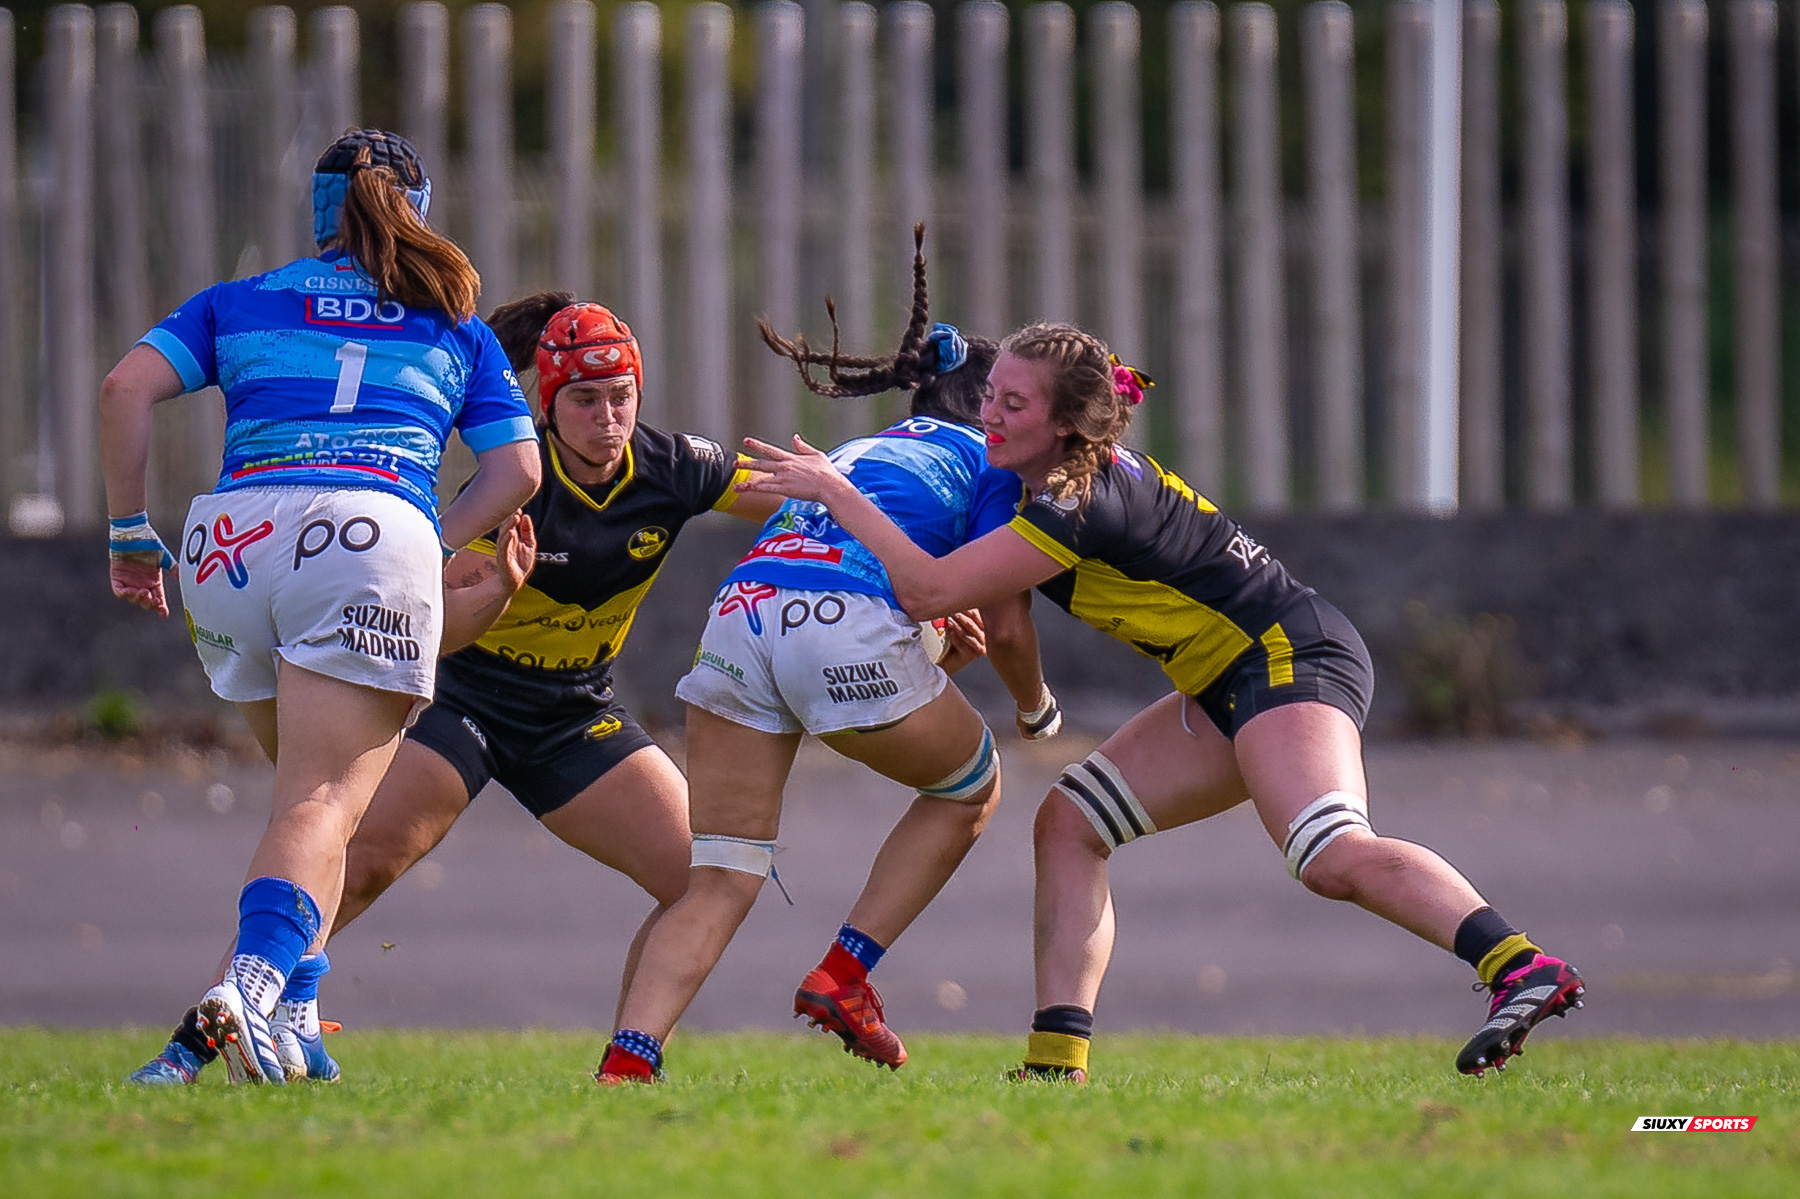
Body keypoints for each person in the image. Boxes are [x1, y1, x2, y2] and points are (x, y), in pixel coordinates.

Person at [738, 320, 1587, 1083]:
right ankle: (1054, 1064)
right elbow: (986, 603)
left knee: (1328, 853)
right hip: (1220, 680)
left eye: (1012, 405)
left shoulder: (1073, 502)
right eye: (990, 398)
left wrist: (836, 491)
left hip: (1287, 656)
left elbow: (925, 590)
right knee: (1070, 823)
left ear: (1064, 424)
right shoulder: (1046, 479)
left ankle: (1518, 964)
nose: (989, 419)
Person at [128, 290, 790, 1086]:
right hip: (464, 699)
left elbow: (803, 496)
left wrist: (878, 518)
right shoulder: (513, 486)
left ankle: (627, 1069)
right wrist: (499, 594)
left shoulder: (674, 468)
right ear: (547, 401)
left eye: (621, 396)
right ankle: (198, 1043)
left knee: (702, 877)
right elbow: (430, 625)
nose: (606, 417)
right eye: (583, 399)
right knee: (349, 855)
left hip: (575, 712)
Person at [104, 130, 542, 1085]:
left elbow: (124, 387)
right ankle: (248, 986)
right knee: (323, 800)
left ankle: (296, 1009)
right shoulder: (453, 323)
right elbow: (518, 468)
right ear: (416, 208)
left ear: (317, 209)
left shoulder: (240, 299)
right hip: (366, 525)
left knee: (310, 809)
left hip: (227, 540)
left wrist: (129, 529)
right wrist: (426, 541)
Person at [593, 234, 1058, 1084]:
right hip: (840, 622)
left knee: (724, 872)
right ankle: (844, 975)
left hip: (739, 615)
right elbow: (1006, 619)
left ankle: (627, 1064)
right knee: (971, 786)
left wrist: (923, 655)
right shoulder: (987, 462)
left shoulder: (863, 450)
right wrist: (1035, 708)